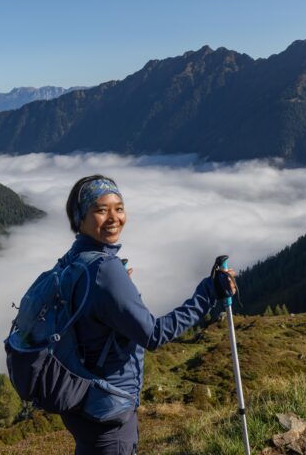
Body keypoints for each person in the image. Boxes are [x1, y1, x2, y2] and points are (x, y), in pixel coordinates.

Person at [59, 174, 237, 455]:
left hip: (82, 404)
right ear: (80, 218)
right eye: (101, 209)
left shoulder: (72, 261)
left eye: (119, 208)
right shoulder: (103, 271)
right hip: (109, 406)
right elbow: (153, 335)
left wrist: (115, 287)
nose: (113, 217)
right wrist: (209, 293)